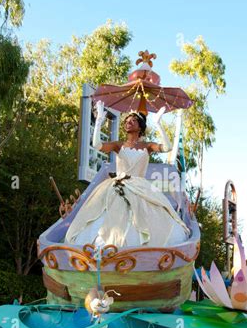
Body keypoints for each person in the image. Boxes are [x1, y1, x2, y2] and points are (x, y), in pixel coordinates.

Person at [65, 104, 190, 248]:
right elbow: (97, 145)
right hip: (118, 185)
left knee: (148, 216)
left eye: (132, 121)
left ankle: (144, 250)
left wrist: (158, 123)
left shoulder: (147, 146)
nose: (128, 123)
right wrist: (99, 121)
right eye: (126, 121)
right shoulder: (119, 145)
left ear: (140, 127)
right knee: (105, 213)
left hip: (141, 187)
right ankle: (106, 247)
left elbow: (167, 148)